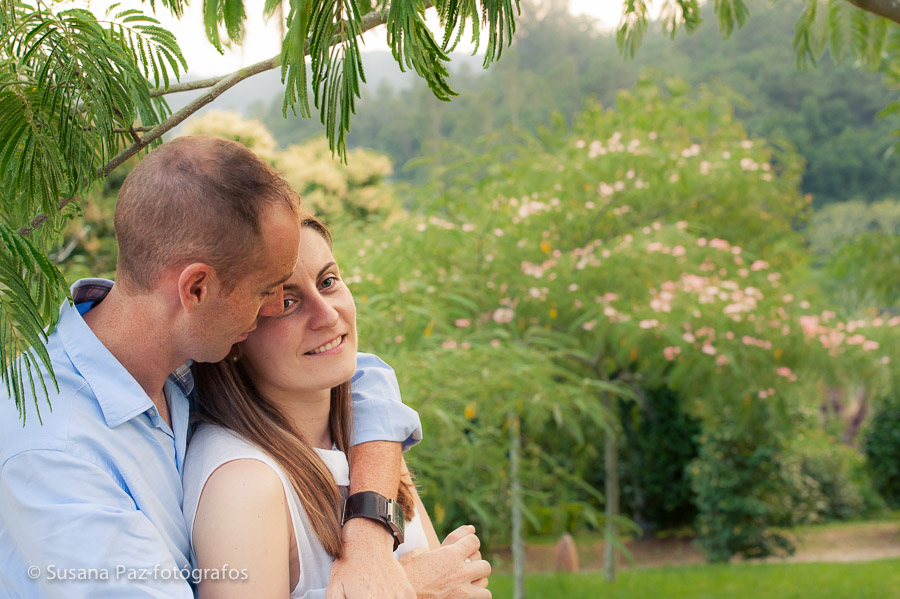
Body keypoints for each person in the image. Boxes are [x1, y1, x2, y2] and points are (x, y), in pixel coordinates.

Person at [0, 136, 426, 598]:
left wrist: (367, 536)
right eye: (270, 292)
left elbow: (363, 378)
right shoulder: (54, 454)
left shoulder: (175, 353)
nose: (269, 311)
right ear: (197, 288)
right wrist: (412, 588)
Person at [183, 215, 492, 598]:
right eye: (287, 302)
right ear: (235, 334)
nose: (327, 315)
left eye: (328, 282)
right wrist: (414, 588)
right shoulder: (244, 483)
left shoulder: (368, 444)